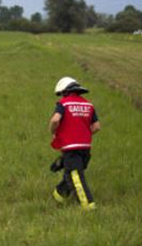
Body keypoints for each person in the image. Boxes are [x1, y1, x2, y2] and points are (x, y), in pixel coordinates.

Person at [49, 76, 100, 210]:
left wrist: (53, 132)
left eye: (61, 94)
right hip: (85, 148)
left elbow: (55, 120)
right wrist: (83, 134)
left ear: (65, 92)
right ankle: (58, 195)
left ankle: (88, 206)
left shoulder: (63, 104)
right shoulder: (88, 105)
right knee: (72, 173)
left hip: (71, 148)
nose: (61, 97)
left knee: (76, 177)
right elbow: (96, 127)